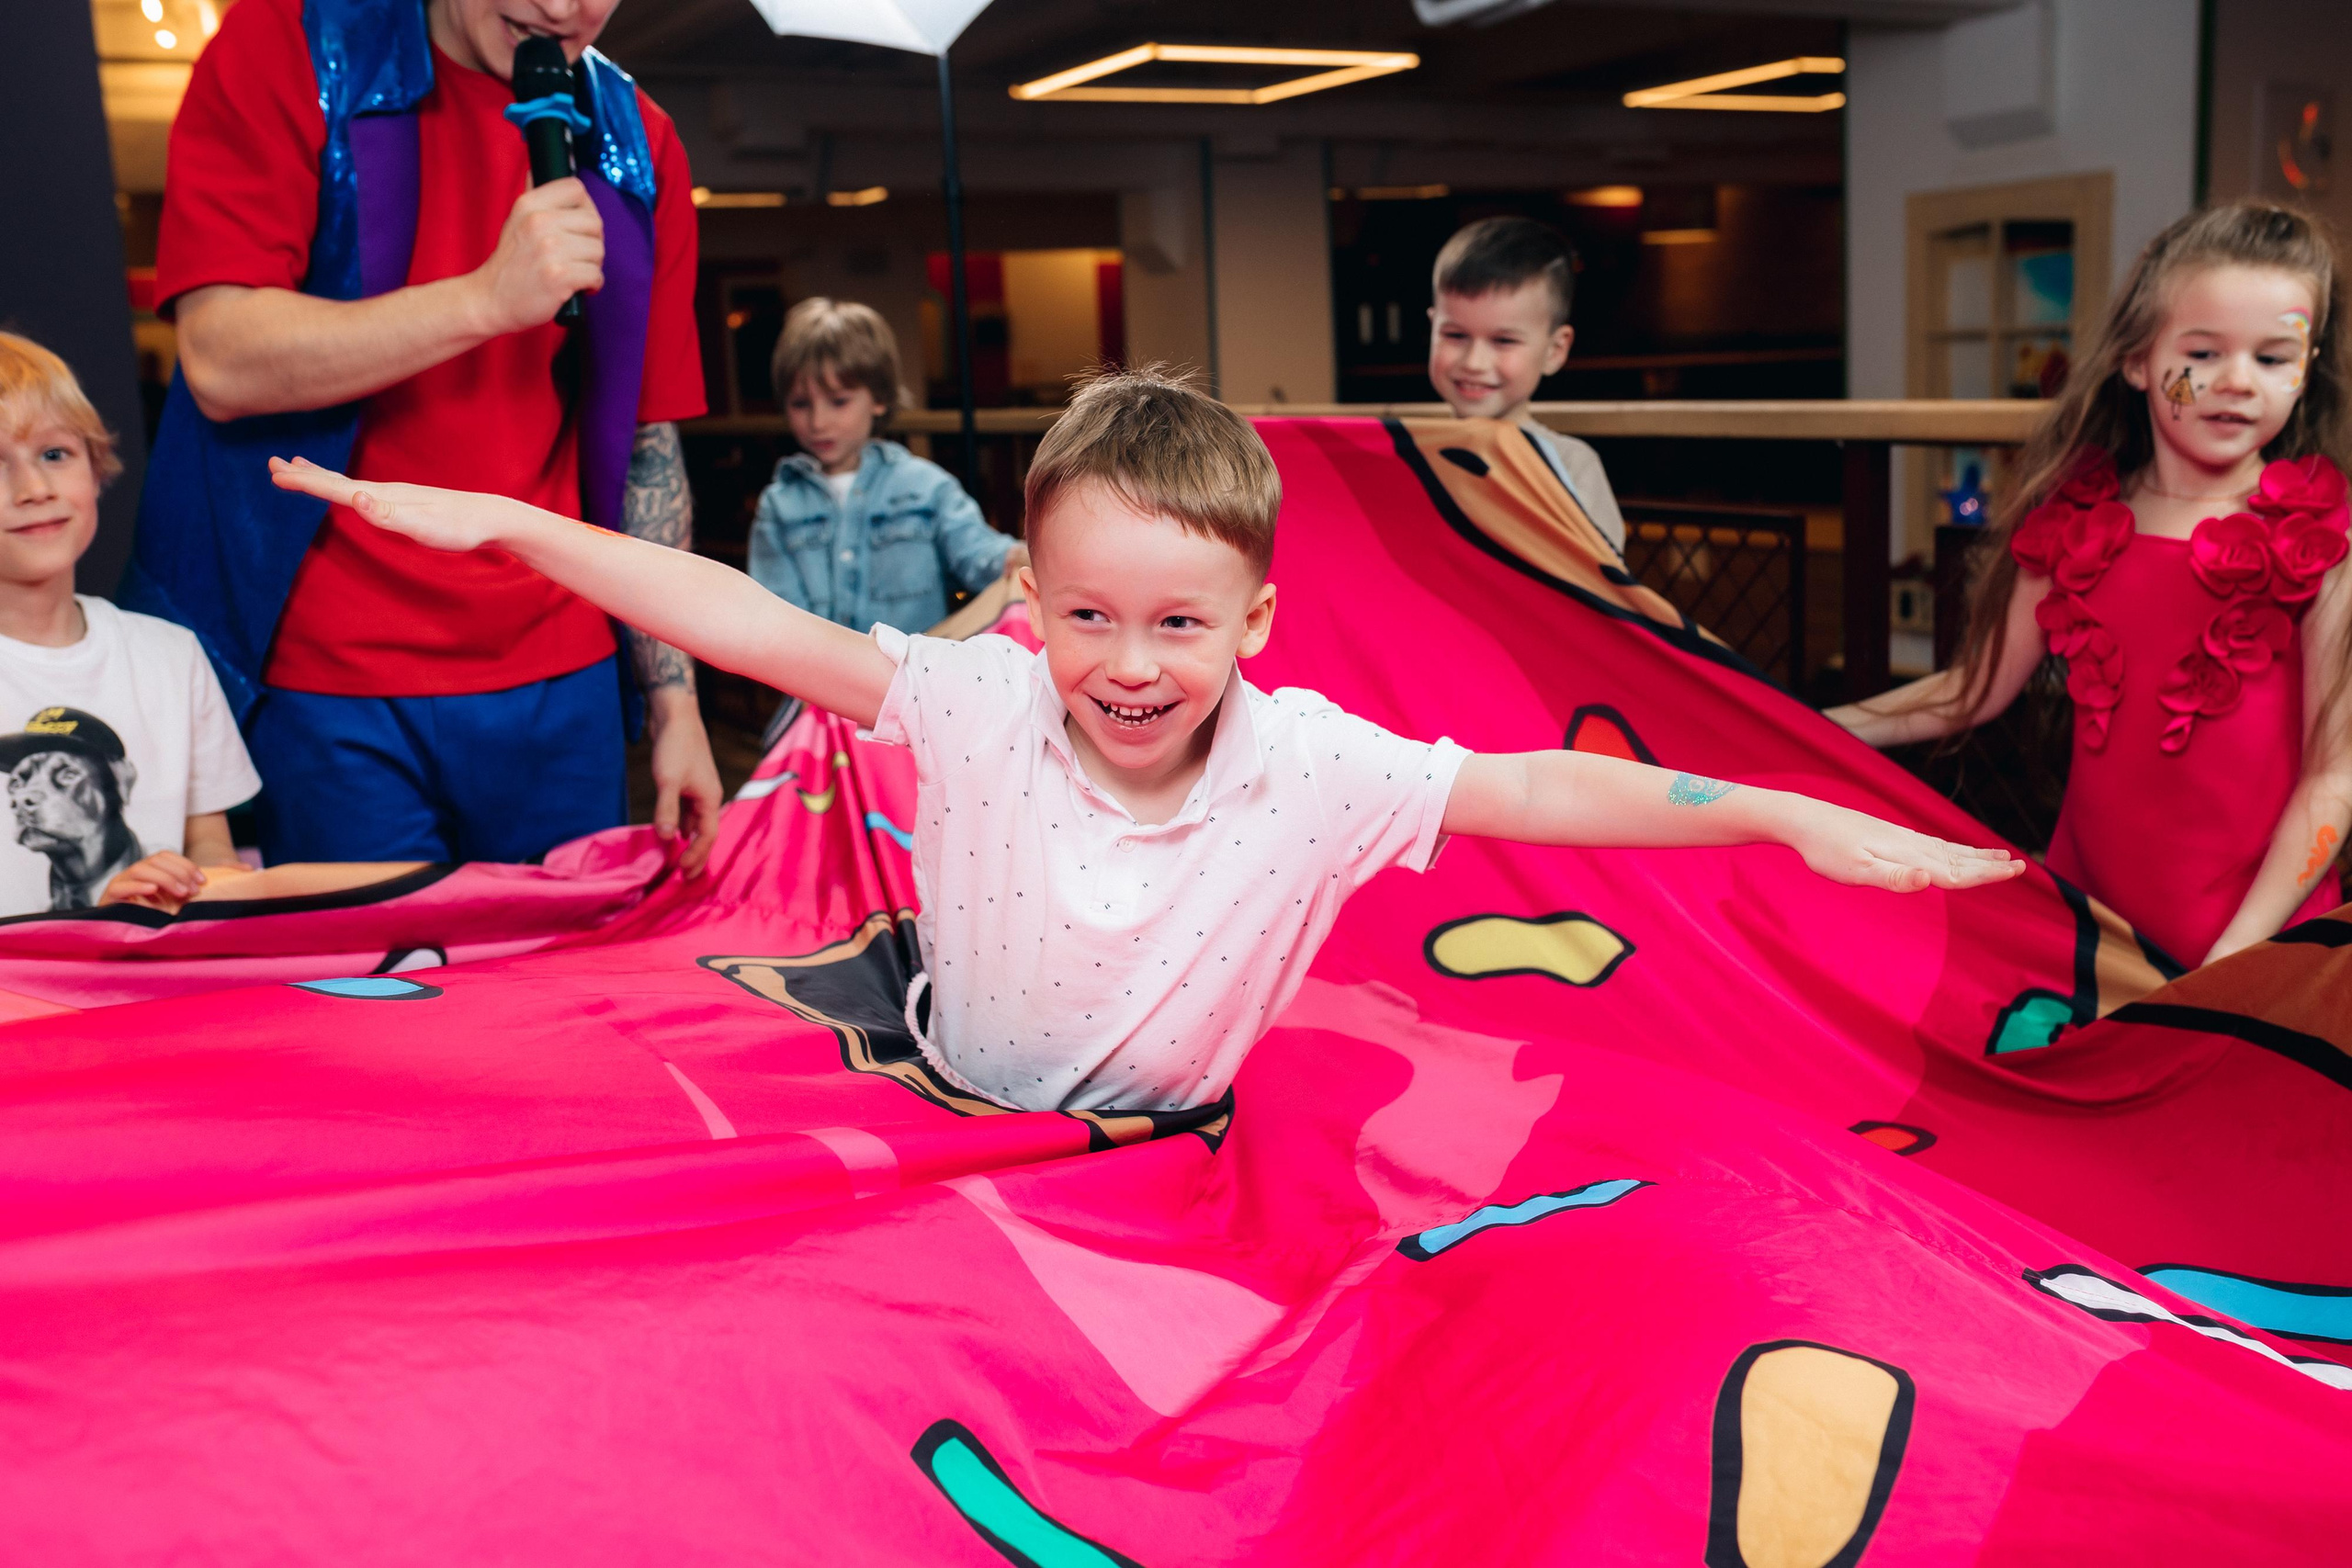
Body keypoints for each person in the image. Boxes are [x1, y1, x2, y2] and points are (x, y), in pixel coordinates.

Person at [270, 367, 2021, 1112]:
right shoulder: (976, 695)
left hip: (1171, 1147)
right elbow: (736, 615)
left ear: (1254, 624)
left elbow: (1538, 781)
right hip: (961, 1106)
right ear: (1030, 600)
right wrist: (518, 527)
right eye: (1089, 615)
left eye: (1179, 624)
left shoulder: (1311, 760)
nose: (1125, 665)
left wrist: (1775, 812)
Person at [125, 0, 723, 875]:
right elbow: (219, 358)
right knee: (369, 963)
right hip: (329, 675)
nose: (562, 10)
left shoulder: (641, 137)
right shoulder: (288, 43)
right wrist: (485, 299)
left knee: (570, 964)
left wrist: (677, 704)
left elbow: (646, 446)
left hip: (562, 668)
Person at [1829, 202, 2351, 968]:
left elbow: (2335, 774)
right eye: (2204, 353)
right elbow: (1969, 692)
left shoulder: (2325, 538)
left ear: (2308, 369)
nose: (2239, 382)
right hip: (2092, 927)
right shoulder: (2074, 522)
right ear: (2137, 360)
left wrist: (2237, 955)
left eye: (2273, 359)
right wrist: (1806, 723)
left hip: (2254, 944)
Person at [0, 333, 259, 917]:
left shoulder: (172, 655)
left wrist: (182, 892)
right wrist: (99, 924)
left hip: (156, 973)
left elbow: (212, 848)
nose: (34, 489)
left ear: (95, 468)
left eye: (54, 454)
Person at [747, 299, 1025, 633]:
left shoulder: (926, 487)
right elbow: (774, 618)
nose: (818, 422)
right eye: (800, 404)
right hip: (812, 667)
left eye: (839, 401)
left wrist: (1022, 558)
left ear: (878, 398)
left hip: (915, 665)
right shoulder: (778, 506)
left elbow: (982, 556)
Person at [1428, 217, 1629, 552]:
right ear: (1432, 329)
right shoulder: (1410, 457)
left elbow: (1600, 578)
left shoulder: (1571, 467)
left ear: (1555, 350)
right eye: (1455, 335)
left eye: (1503, 341)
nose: (1474, 362)